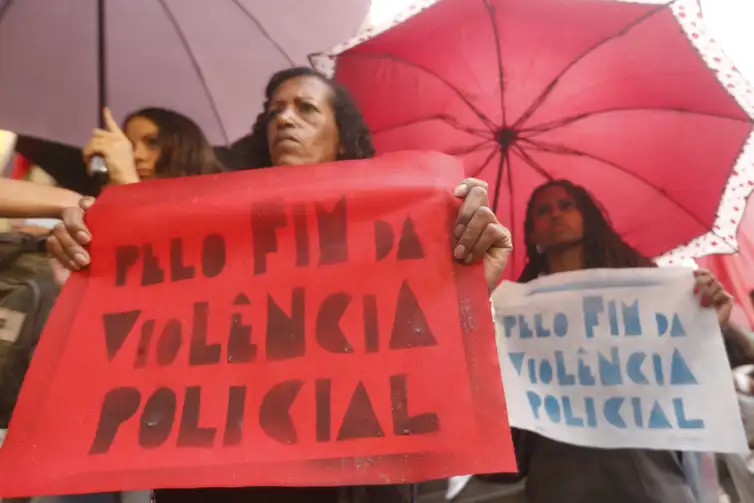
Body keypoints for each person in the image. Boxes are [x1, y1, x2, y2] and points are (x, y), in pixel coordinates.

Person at [47, 67, 513, 503]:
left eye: (306, 108)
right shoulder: (215, 226)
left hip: (352, 479)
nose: (284, 118)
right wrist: (94, 282)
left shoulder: (398, 226)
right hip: (219, 477)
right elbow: (164, 338)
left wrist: (466, 292)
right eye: (274, 111)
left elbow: (425, 360)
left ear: (342, 135)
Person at [483, 179, 735, 503]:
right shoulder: (514, 306)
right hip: (558, 471)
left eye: (566, 205)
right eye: (543, 212)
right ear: (531, 233)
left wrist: (707, 323)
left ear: (588, 216)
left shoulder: (640, 283)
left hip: (646, 466)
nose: (556, 215)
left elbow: (674, 365)